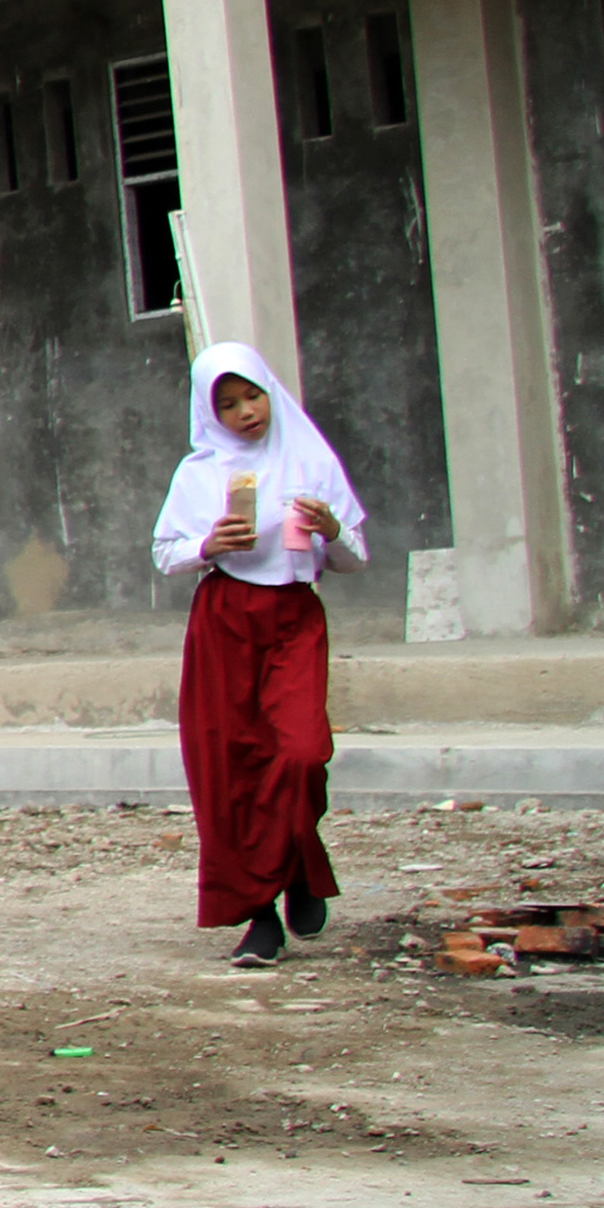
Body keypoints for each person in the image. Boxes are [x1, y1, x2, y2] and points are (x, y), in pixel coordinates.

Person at [153, 341, 367, 968]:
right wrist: (208, 543)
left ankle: (299, 866)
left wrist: (332, 530)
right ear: (208, 412)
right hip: (224, 620)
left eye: (253, 395)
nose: (246, 412)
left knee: (301, 754)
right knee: (233, 766)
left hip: (295, 617)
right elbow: (166, 553)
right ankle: (260, 916)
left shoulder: (309, 456)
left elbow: (355, 557)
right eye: (228, 403)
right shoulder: (199, 473)